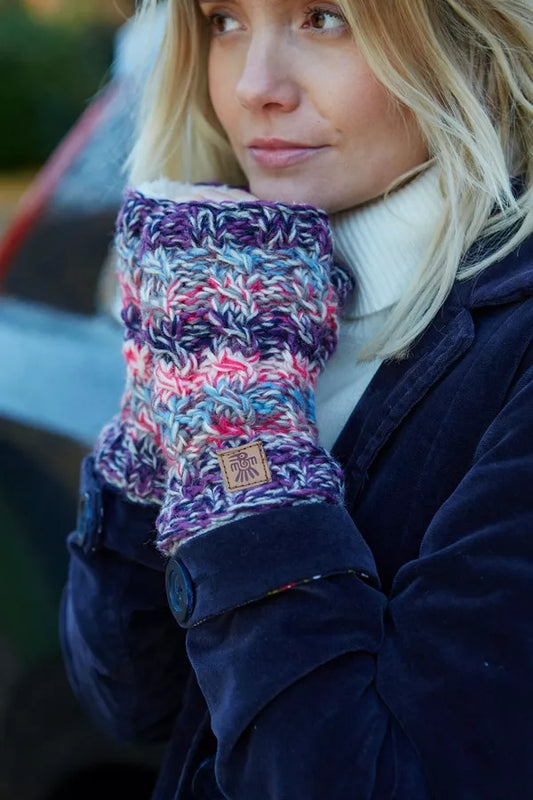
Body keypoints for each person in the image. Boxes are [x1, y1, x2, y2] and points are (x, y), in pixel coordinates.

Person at [59, 0, 533, 797]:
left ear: (468, 40)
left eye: (323, 17)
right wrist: (156, 423)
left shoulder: (513, 349)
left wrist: (239, 448)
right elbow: (131, 696)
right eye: (223, 20)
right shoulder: (224, 290)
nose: (254, 86)